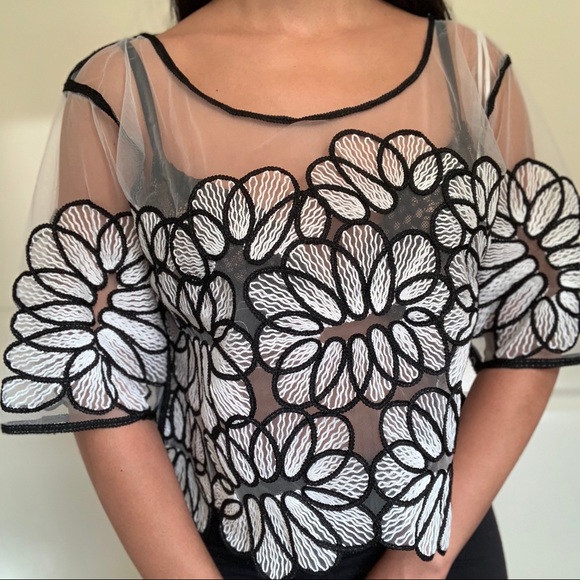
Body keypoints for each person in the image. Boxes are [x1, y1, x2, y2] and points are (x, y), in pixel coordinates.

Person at [2, 0, 579, 578]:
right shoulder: (119, 91)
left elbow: (535, 322)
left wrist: (417, 568)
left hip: (442, 551)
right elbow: (98, 373)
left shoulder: (471, 68)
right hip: (220, 558)